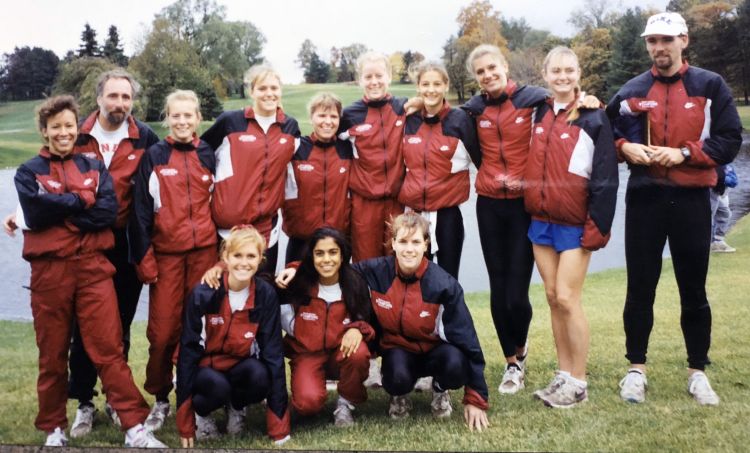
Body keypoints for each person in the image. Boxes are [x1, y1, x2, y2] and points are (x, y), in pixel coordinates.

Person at [13, 95, 165, 448]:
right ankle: (54, 427)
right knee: (52, 353)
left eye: (69, 125)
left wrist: (60, 211)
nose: (63, 132)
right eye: (56, 127)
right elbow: (34, 214)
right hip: (50, 273)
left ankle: (133, 427)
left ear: (75, 127)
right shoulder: (28, 171)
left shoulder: (94, 168)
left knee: (109, 349)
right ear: (45, 131)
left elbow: (106, 216)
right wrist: (81, 200)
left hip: (94, 271)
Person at [606, 12, 742, 406]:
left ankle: (697, 372)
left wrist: (683, 153)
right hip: (645, 198)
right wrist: (622, 147)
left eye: (666, 39)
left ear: (684, 39)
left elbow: (729, 140)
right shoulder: (633, 88)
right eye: (652, 41)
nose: (659, 48)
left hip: (691, 200)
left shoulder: (709, 85)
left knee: (693, 289)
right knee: (640, 289)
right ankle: (636, 370)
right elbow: (604, 129)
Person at [279, 213, 490, 430]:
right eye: (403, 242)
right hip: (398, 351)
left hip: (434, 351)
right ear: (393, 244)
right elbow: (333, 267)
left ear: (426, 244)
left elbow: (468, 342)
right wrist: (296, 268)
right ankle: (399, 394)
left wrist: (476, 398)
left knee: (456, 364)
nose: (409, 249)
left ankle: (439, 388)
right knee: (396, 378)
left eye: (416, 242)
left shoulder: (444, 285)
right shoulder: (376, 271)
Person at [523, 47, 618, 408]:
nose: (563, 76)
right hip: (541, 220)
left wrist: (599, 227)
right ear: (545, 74)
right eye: (556, 71)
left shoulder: (593, 116)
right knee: (551, 297)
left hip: (575, 223)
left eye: (569, 70)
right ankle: (562, 375)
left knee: (567, 297)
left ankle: (579, 382)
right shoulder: (539, 111)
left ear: (579, 73)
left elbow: (607, 178)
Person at [460, 44, 548, 395]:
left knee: (516, 293)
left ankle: (522, 350)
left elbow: (567, 107)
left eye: (492, 68)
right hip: (489, 205)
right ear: (476, 77)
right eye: (480, 72)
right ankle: (511, 364)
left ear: (505, 67)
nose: (488, 75)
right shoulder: (472, 109)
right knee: (498, 289)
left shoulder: (533, 100)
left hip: (523, 206)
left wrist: (588, 101)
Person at [128, 90, 218, 431]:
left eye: (188, 116)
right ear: (168, 118)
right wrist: (144, 259)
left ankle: (198, 400)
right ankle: (162, 397)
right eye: (176, 116)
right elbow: (139, 214)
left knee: (201, 330)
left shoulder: (208, 154)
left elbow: (221, 204)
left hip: (204, 256)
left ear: (198, 118)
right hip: (166, 257)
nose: (182, 121)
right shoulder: (155, 155)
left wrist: (222, 258)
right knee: (163, 333)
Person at [176, 226, 289, 447]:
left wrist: (279, 431)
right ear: (225, 257)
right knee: (217, 386)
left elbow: (274, 355)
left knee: (260, 375)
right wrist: (185, 423)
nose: (244, 263)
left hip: (239, 365)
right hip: (205, 371)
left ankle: (237, 407)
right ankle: (202, 416)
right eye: (237, 255)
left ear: (260, 259)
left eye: (251, 256)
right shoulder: (203, 294)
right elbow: (187, 355)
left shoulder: (265, 294)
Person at [201, 65, 300, 274]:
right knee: (226, 294)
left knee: (262, 291)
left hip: (266, 229)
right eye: (262, 88)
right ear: (252, 91)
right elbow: (199, 154)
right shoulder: (230, 121)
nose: (269, 93)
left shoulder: (290, 127)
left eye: (274, 88)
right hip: (229, 227)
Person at [278, 228, 373, 426]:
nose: (326, 259)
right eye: (319, 253)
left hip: (341, 354)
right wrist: (294, 267)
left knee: (359, 353)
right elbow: (261, 286)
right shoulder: (299, 283)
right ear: (311, 256)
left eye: (333, 252)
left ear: (342, 255)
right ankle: (303, 396)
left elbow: (367, 318)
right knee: (307, 404)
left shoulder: (355, 284)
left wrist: (357, 328)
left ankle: (345, 404)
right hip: (308, 354)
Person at [397, 61, 478, 280]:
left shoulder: (460, 120)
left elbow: (482, 162)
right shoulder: (409, 120)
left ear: (446, 85)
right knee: (414, 280)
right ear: (418, 87)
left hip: (447, 215)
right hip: (413, 216)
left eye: (436, 84)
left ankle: (448, 316)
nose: (431, 90)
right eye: (425, 84)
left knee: (447, 280)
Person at [339, 52, 408, 263]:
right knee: (366, 264)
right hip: (364, 203)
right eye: (368, 77)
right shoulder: (350, 115)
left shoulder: (402, 107)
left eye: (379, 75)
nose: (374, 81)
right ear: (360, 80)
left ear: (389, 76)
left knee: (398, 262)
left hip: (397, 202)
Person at [282, 94, 354, 263]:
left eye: (333, 116)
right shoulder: (296, 148)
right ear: (311, 117)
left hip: (337, 240)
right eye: (322, 115)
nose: (327, 121)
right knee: (295, 289)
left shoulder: (348, 149)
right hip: (301, 240)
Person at [709, 165, 737, 253]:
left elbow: (734, 182)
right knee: (707, 218)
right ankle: (705, 244)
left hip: (719, 192)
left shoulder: (726, 165)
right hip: (708, 190)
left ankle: (717, 241)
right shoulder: (706, 159)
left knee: (725, 214)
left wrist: (722, 177)